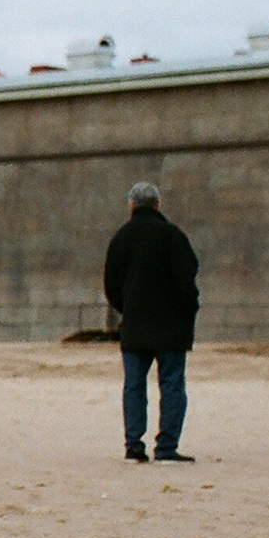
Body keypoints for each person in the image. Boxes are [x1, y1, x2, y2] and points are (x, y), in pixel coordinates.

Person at [104, 180, 200, 463]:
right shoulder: (172, 236)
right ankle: (167, 447)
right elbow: (187, 279)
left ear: (131, 206)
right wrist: (187, 310)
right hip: (171, 327)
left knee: (134, 385)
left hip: (135, 326)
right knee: (171, 384)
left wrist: (129, 309)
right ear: (158, 205)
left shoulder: (120, 238)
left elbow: (111, 286)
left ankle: (134, 446)